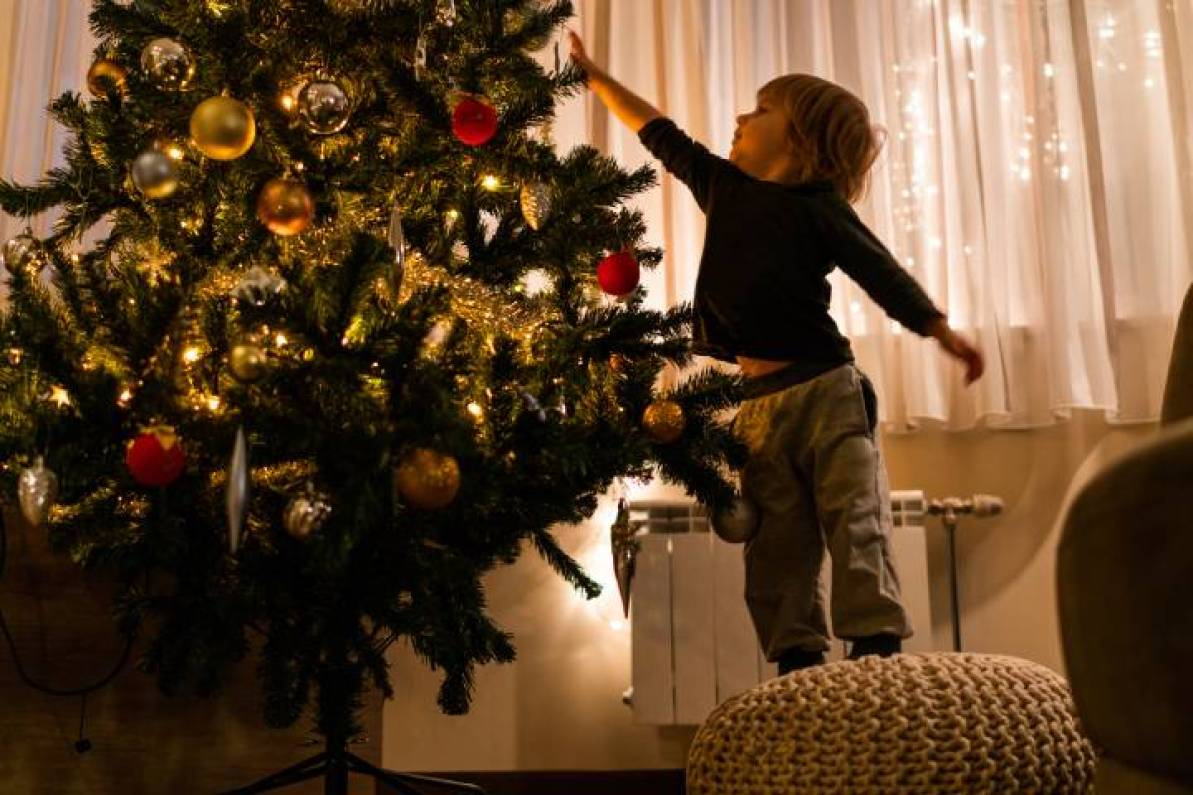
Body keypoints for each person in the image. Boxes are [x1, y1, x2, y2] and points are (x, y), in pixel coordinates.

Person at [569, 32, 985, 674]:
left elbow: (881, 273)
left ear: (802, 141)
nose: (740, 118)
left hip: (826, 390)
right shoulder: (723, 185)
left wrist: (939, 329)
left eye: (760, 111)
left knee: (856, 520)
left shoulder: (819, 210)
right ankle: (797, 660)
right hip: (759, 405)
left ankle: (875, 647)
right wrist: (596, 79)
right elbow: (659, 130)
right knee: (775, 541)